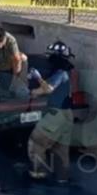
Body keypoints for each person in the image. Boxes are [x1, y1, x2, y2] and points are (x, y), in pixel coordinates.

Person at [27, 41, 76, 183]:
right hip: (68, 115)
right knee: (60, 150)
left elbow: (48, 89)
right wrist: (36, 91)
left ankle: (39, 177)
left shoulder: (60, 73)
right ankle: (62, 179)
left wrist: (37, 79)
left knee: (36, 143)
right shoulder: (66, 73)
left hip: (56, 115)